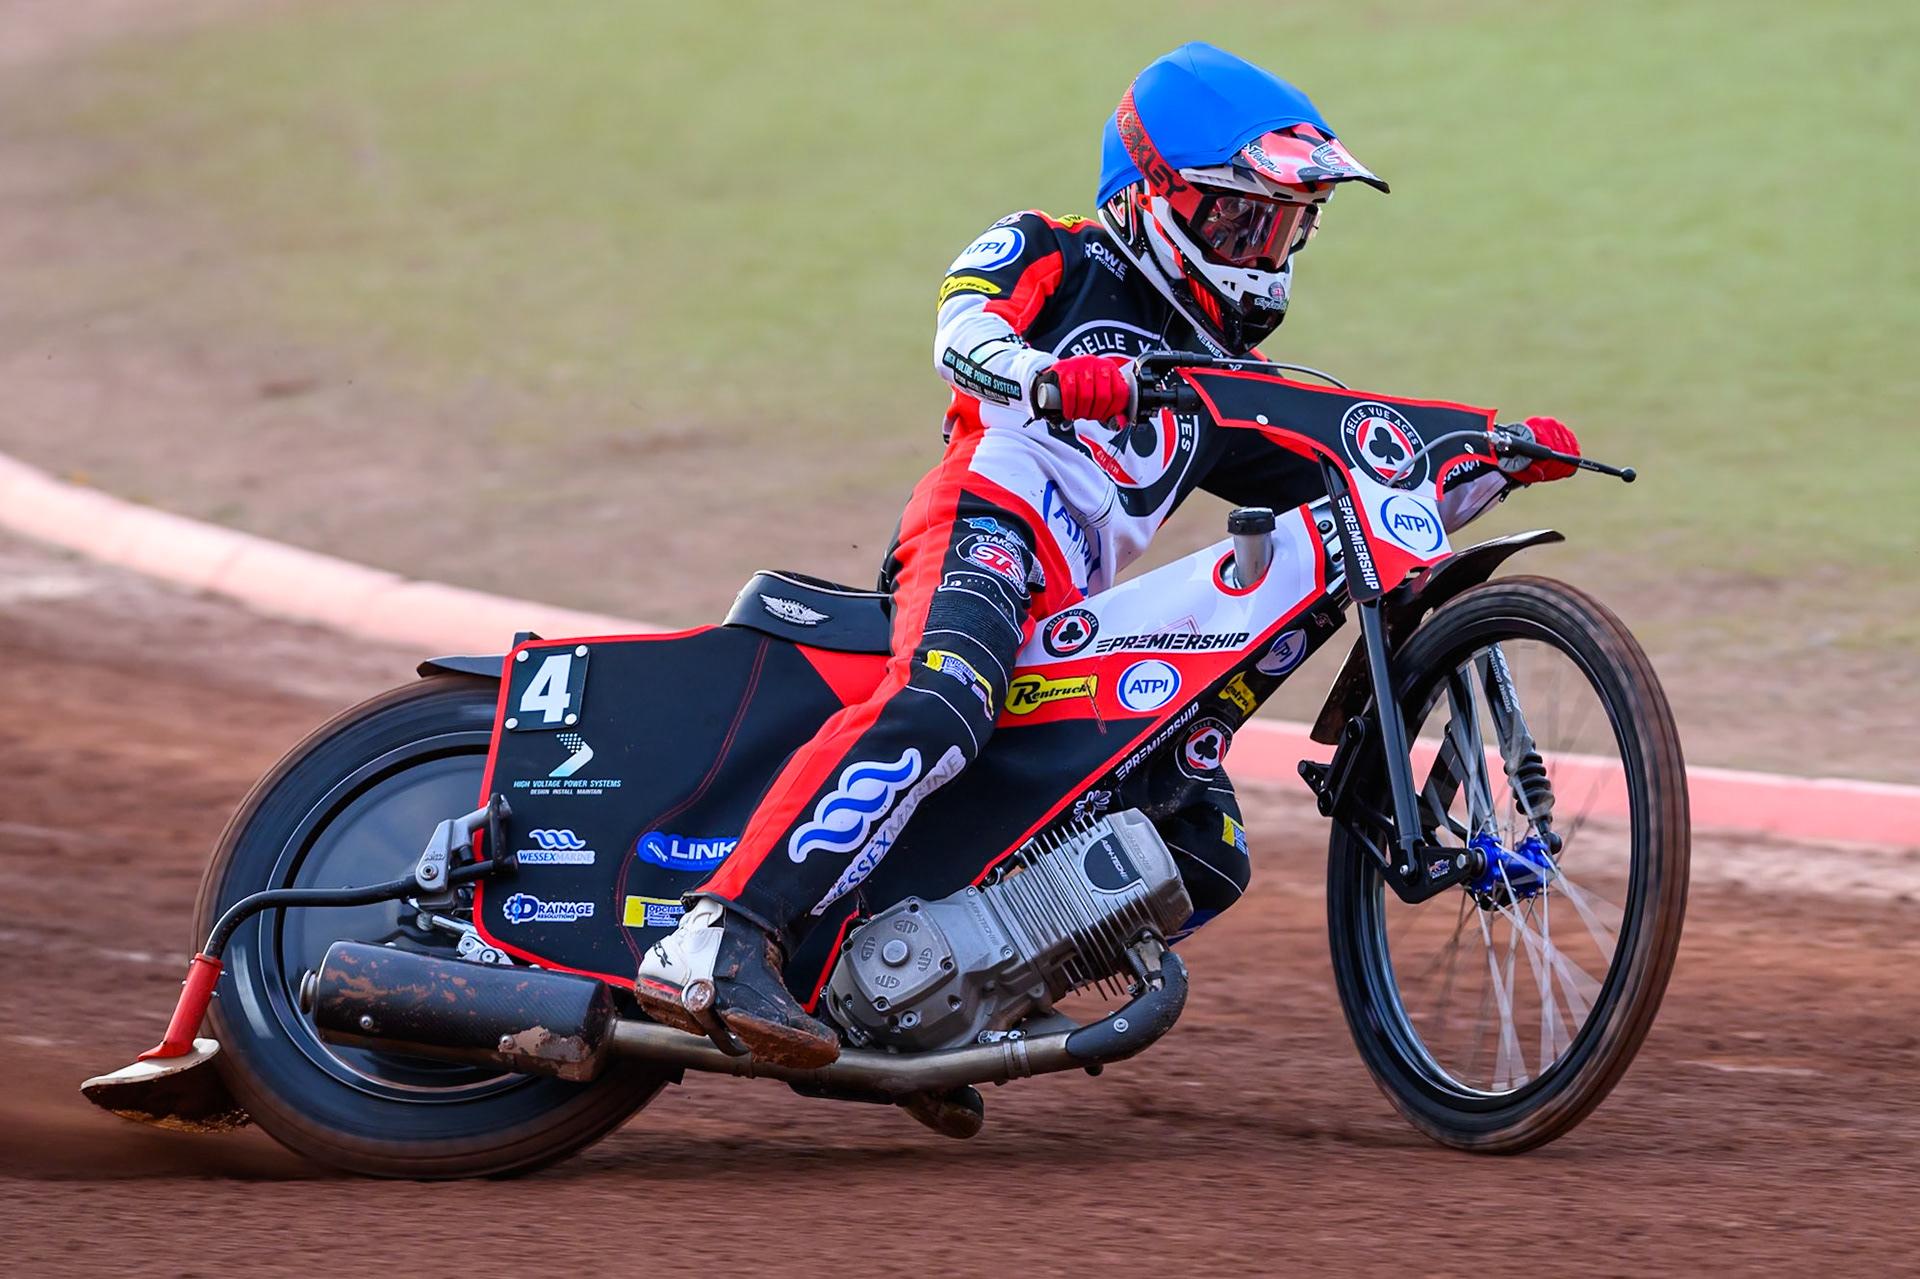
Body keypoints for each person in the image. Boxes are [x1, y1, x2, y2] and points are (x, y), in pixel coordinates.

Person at [636, 41, 1580, 1068]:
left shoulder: (1226, 380)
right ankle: (716, 935)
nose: (1264, 252)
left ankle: (947, 1004)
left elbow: (1350, 467)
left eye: (1284, 228)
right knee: (944, 702)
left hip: (1073, 621)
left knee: (1204, 846)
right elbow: (959, 331)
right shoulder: (1054, 247)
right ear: (1150, 195)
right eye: (1242, 221)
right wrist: (1048, 377)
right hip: (981, 531)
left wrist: (1489, 450)